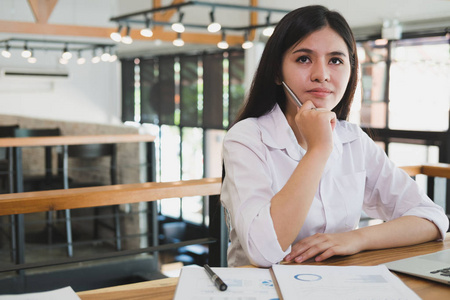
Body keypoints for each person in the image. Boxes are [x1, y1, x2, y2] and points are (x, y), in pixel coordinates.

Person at [221, 5, 449, 268]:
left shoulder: (353, 138)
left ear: (351, 70)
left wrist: (355, 239)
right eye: (304, 59)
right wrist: (318, 150)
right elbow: (263, 252)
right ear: (276, 71)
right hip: (261, 290)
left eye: (336, 60)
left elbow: (431, 217)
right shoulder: (247, 137)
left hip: (336, 285)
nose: (322, 75)